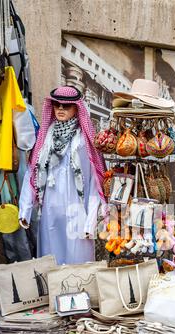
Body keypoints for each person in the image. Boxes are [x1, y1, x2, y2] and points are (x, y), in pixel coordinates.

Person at [19, 86, 106, 265]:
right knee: (50, 260)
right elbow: (32, 172)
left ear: (76, 108)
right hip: (50, 210)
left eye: (66, 106)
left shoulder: (84, 140)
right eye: (57, 105)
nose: (60, 109)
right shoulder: (46, 137)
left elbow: (94, 181)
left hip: (77, 210)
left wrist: (91, 220)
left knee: (78, 262)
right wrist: (25, 209)